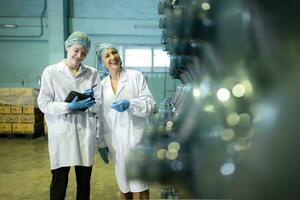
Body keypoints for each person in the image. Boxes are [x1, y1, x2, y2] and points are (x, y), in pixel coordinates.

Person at [37, 31, 102, 200]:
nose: (79, 55)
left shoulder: (92, 73)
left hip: (84, 132)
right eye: (76, 50)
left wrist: (91, 100)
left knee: (84, 182)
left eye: (84, 53)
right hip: (62, 132)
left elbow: (100, 104)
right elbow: (44, 104)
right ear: (67, 47)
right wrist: (68, 106)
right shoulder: (51, 72)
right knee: (59, 180)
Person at [96, 43, 156, 200]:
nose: (112, 57)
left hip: (137, 140)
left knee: (141, 187)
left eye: (114, 53)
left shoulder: (135, 76)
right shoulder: (101, 87)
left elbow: (151, 105)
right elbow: (101, 118)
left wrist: (131, 104)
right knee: (124, 186)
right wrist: (101, 143)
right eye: (107, 56)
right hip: (115, 142)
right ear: (102, 62)